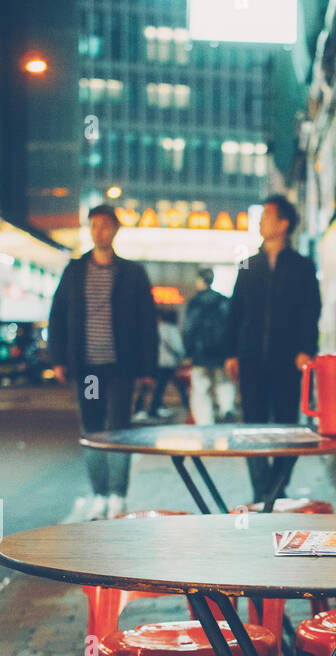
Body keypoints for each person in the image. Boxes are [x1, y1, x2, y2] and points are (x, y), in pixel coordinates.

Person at [49, 204, 158, 521]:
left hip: (120, 368)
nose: (99, 231)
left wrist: (148, 369)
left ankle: (118, 495)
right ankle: (99, 493)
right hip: (90, 370)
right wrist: (58, 359)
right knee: (94, 428)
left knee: (120, 429)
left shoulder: (132, 273)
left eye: (105, 225)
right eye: (94, 225)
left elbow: (146, 322)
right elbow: (57, 315)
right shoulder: (75, 270)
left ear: (115, 230)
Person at [224, 195, 321, 505]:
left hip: (288, 361)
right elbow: (235, 310)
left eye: (267, 215)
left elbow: (310, 312)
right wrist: (231, 352)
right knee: (252, 428)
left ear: (284, 224)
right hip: (251, 359)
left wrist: (306, 349)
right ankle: (262, 492)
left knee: (288, 429)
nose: (261, 221)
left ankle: (277, 488)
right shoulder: (248, 264)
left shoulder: (302, 267)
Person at [183, 268, 235, 425]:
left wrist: (188, 350)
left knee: (200, 389)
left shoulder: (195, 302)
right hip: (221, 352)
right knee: (223, 382)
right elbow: (231, 326)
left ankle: (205, 422)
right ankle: (227, 409)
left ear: (200, 280)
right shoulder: (223, 300)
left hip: (200, 353)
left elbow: (188, 328)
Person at [134, 308, 190, 420]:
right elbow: (177, 346)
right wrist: (183, 355)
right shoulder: (171, 329)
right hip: (168, 362)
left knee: (158, 386)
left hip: (157, 361)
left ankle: (150, 408)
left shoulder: (156, 327)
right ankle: (186, 406)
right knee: (170, 386)